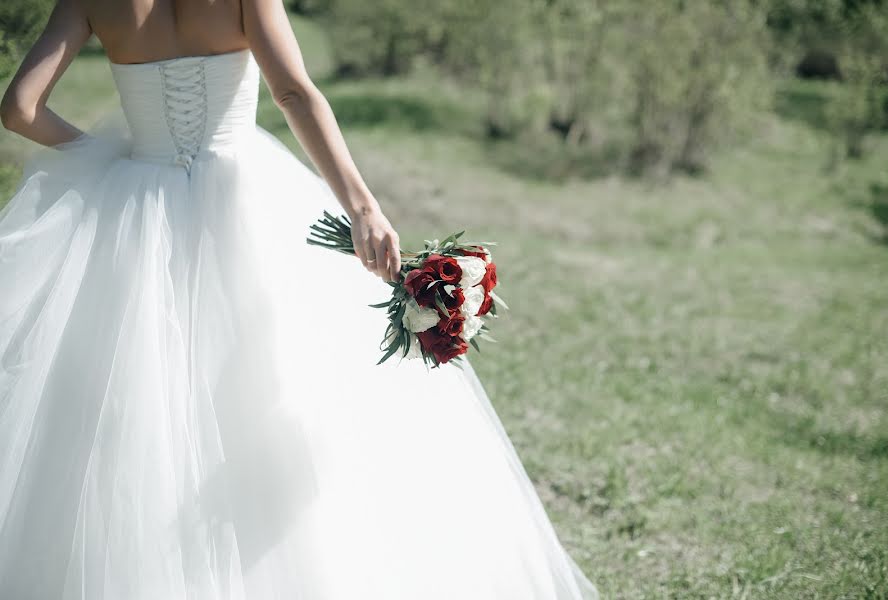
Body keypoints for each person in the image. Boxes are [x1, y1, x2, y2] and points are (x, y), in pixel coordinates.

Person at [0, 0, 599, 598]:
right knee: (285, 388)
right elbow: (293, 93)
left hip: (134, 200)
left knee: (132, 398)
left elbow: (21, 110)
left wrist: (108, 158)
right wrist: (363, 206)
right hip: (245, 195)